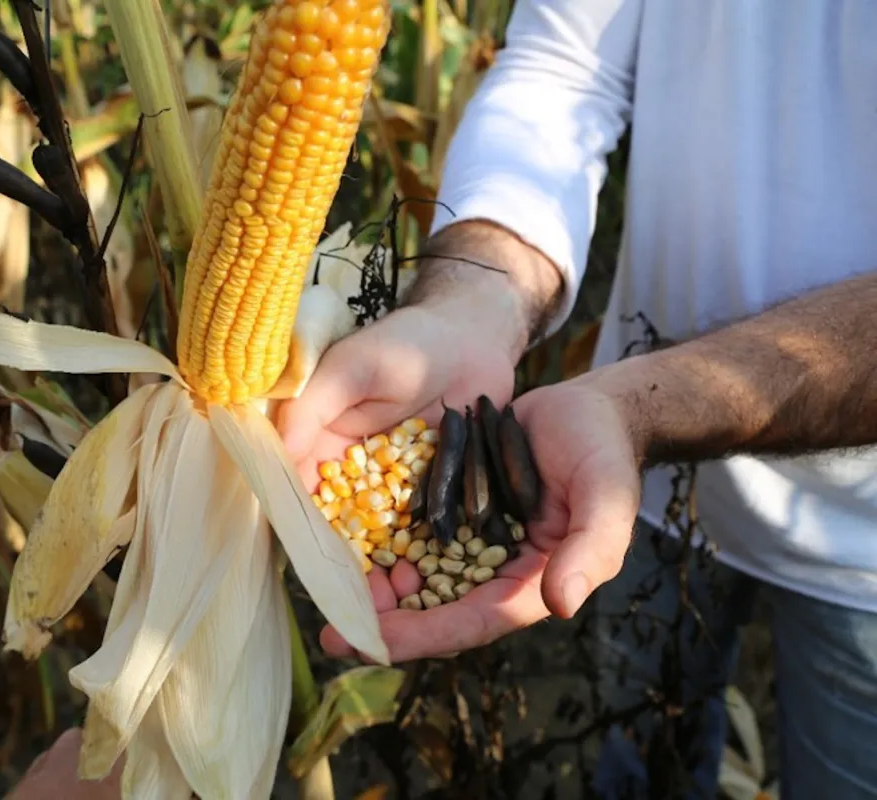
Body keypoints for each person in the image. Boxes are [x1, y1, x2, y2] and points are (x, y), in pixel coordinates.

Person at [277, 0, 877, 797]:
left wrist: (648, 405)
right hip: (629, 482)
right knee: (635, 767)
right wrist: (473, 298)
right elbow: (565, 71)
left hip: (859, 553)